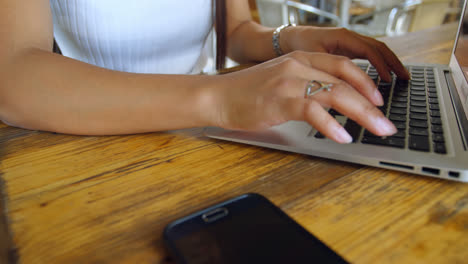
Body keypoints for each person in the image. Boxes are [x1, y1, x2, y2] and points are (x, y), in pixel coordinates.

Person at [0, 0, 409, 144]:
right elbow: (13, 75)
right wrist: (220, 97)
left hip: (192, 139)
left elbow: (234, 31)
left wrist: (293, 38)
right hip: (84, 140)